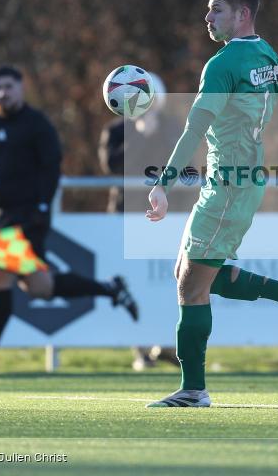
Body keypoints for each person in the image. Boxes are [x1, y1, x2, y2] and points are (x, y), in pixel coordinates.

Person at [145, 0, 278, 407]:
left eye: (217, 10)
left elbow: (194, 129)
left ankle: (193, 390)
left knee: (191, 287)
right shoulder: (265, 53)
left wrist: (163, 185)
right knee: (188, 273)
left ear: (241, 15)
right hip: (237, 185)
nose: (208, 17)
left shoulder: (222, 64)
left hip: (229, 187)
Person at [0, 65, 139, 376]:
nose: (2, 93)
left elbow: (52, 169)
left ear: (22, 88)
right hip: (5, 215)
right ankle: (110, 288)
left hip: (29, 216)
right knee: (40, 287)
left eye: (8, 87)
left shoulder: (37, 124)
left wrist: (41, 205)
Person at [98, 74, 181, 370]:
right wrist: (138, 135)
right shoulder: (117, 129)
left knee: (168, 280)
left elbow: (180, 162)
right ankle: (142, 350)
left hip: (165, 216)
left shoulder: (171, 126)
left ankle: (169, 345)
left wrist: (155, 134)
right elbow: (114, 167)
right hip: (126, 216)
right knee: (133, 283)